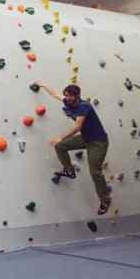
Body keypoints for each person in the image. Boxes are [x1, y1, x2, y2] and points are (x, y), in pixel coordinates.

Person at [37, 82, 111, 215]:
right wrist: (43, 84)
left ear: (77, 96)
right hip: (86, 138)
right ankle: (69, 171)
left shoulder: (84, 106)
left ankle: (105, 200)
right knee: (60, 147)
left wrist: (60, 137)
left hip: (98, 142)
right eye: (66, 96)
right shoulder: (68, 101)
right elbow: (55, 94)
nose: (67, 99)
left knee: (95, 172)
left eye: (70, 97)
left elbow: (78, 127)